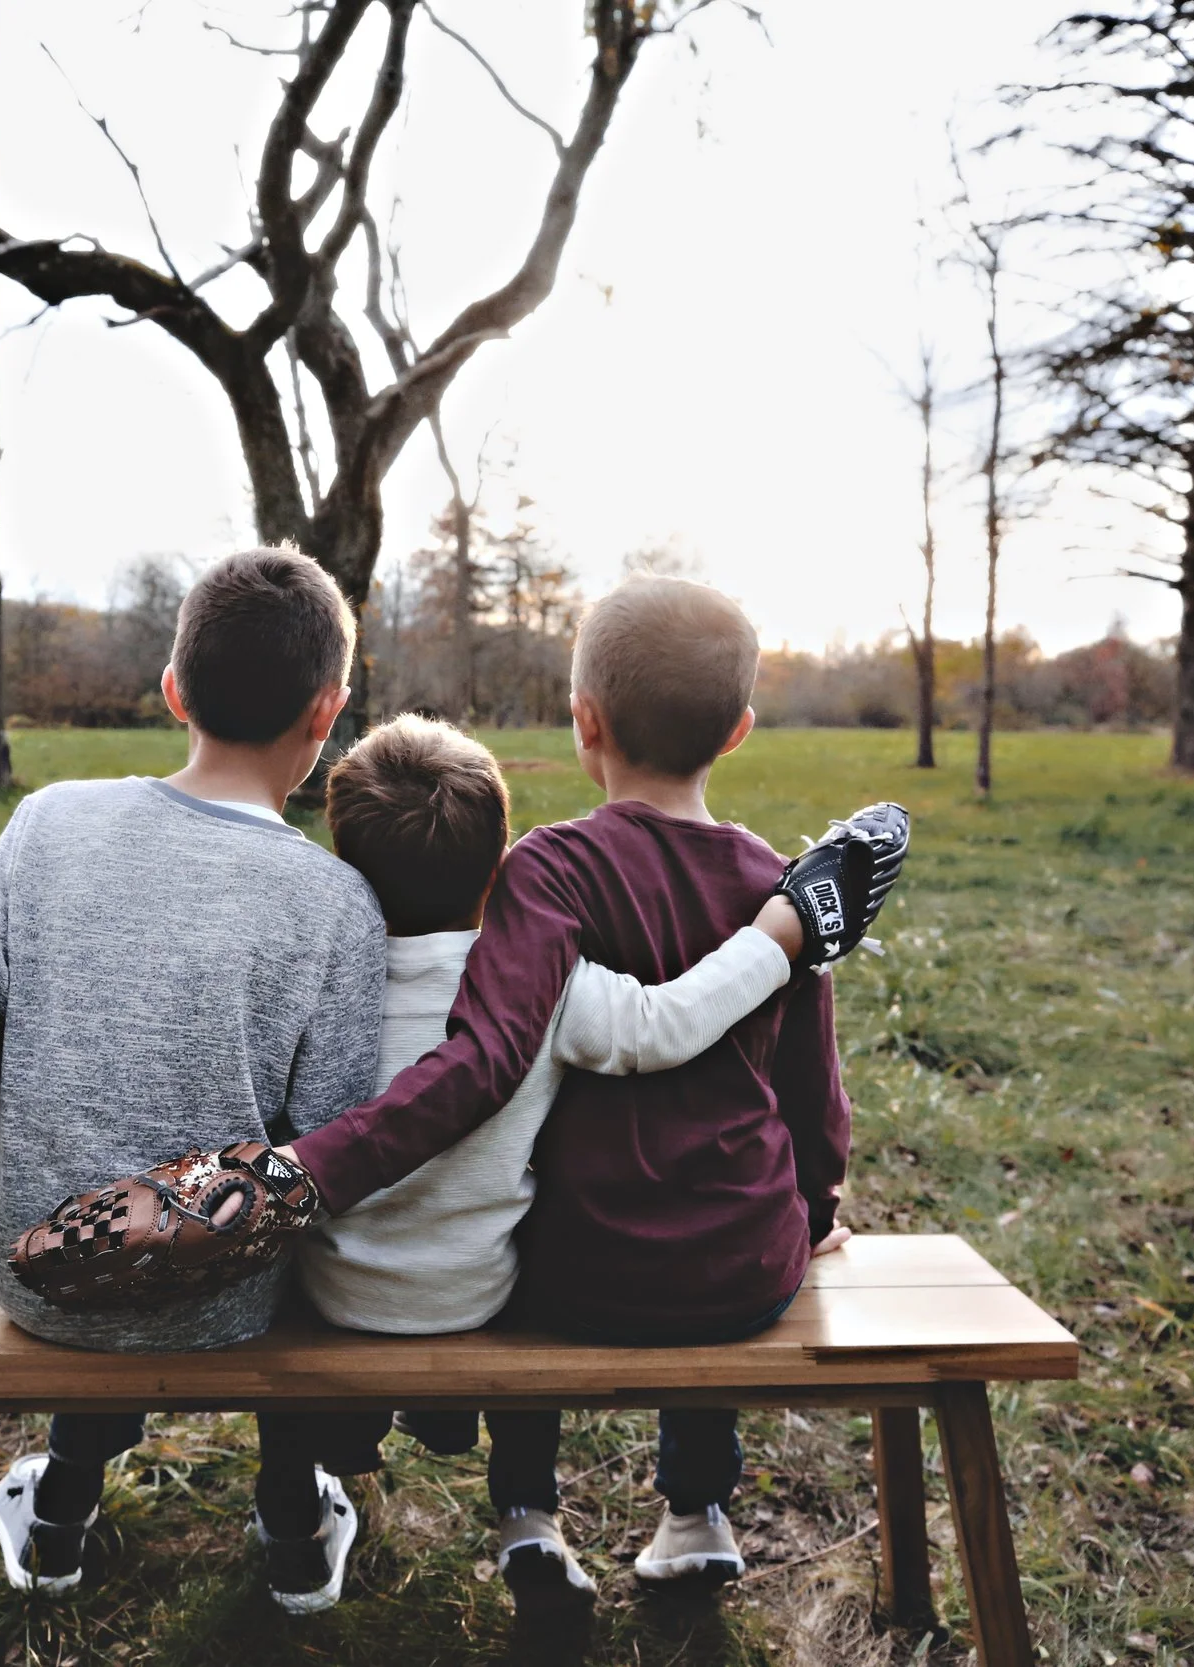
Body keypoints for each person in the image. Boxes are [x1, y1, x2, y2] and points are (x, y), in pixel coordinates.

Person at [0, 548, 387, 1608]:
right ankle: (293, 1519)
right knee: (270, 1202)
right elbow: (328, 1152)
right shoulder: (334, 902)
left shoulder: (46, 823)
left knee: (99, 1178)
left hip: (31, 1272)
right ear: (327, 709)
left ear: (173, 689)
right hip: (229, 1299)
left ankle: (57, 1512)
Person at [281, 575, 853, 1621]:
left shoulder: (548, 868)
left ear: (583, 719)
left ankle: (528, 1514)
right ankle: (695, 1514)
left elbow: (504, 1031)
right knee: (717, 1213)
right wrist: (813, 1210)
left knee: (534, 1219)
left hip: (585, 1260)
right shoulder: (784, 886)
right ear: (737, 731)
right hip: (745, 1264)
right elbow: (809, 1089)